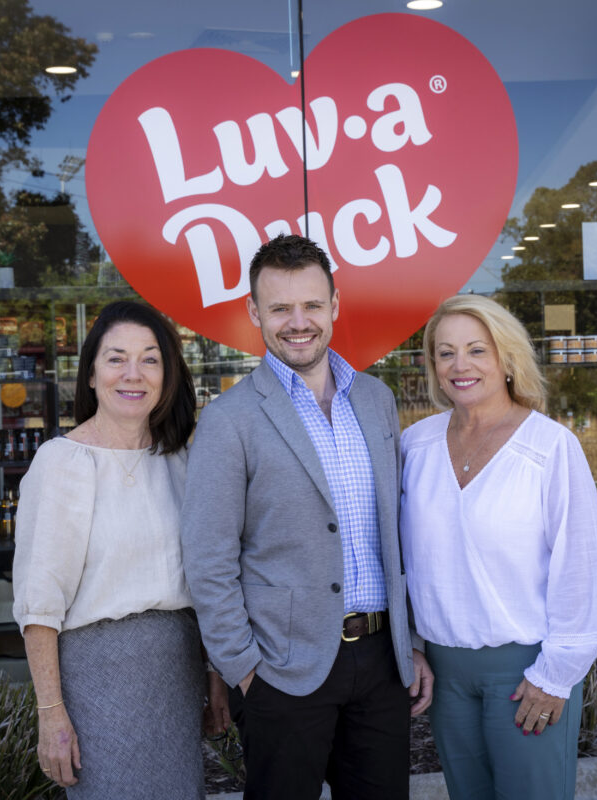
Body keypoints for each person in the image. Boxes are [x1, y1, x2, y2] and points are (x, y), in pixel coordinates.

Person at [182, 234, 433, 800]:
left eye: (312, 305)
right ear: (254, 312)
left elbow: (398, 536)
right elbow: (208, 560)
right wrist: (245, 670)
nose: (299, 323)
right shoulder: (229, 421)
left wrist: (410, 641)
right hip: (282, 669)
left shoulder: (376, 399)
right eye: (280, 308)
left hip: (381, 662)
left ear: (335, 305)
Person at [12, 301, 230, 798]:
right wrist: (51, 713)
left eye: (150, 359)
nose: (133, 374)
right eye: (116, 359)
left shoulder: (180, 461)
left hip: (177, 675)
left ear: (166, 375)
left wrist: (214, 674)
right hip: (97, 679)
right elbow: (39, 604)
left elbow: (206, 580)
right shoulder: (62, 463)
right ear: (91, 374)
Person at [399, 294, 597, 800]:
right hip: (445, 673)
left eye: (477, 350)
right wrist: (414, 646)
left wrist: (556, 675)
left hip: (525, 671)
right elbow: (407, 561)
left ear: (507, 358)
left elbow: (579, 568)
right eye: (445, 353)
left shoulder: (550, 447)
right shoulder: (415, 446)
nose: (460, 365)